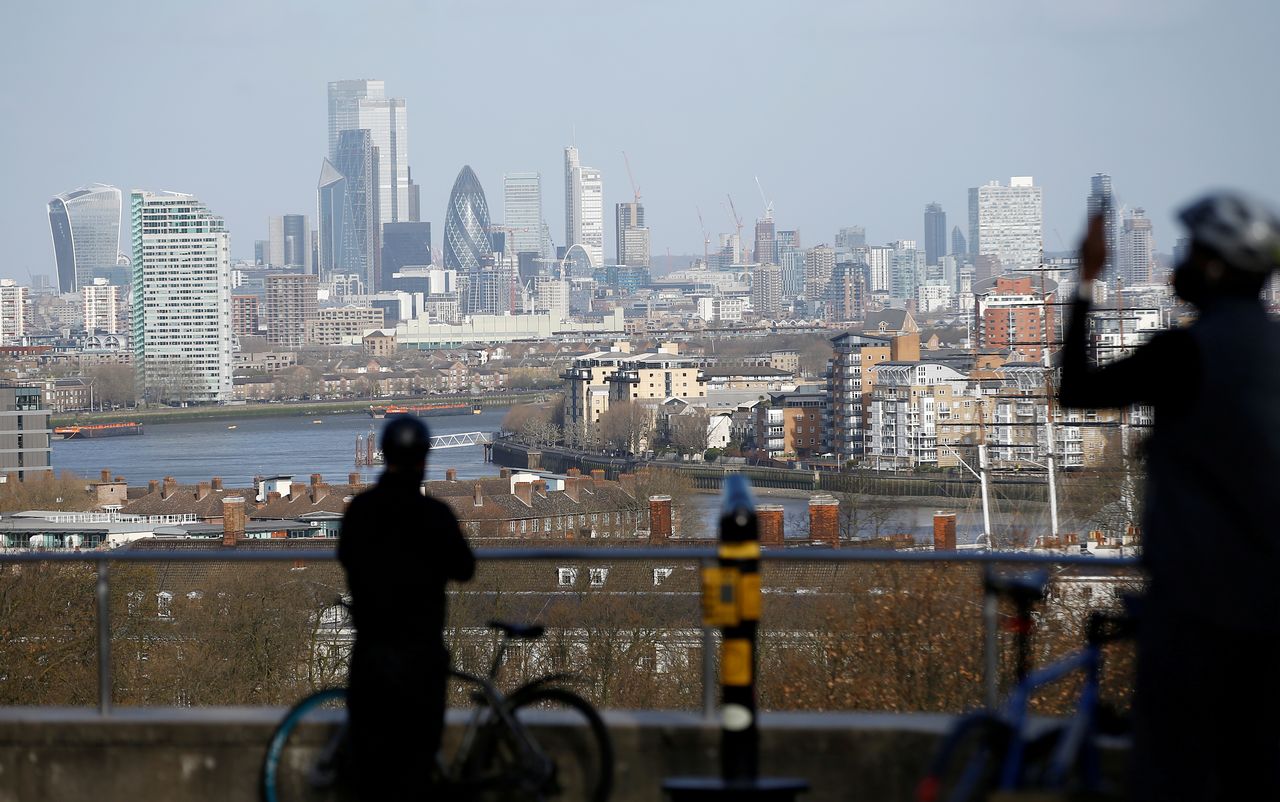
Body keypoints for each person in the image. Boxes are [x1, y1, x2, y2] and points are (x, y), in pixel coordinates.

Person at [1058, 192, 1280, 801]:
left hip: (1197, 605)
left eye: (1192, 252)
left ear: (1214, 266)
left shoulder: (1186, 352)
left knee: (1174, 771)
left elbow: (1077, 388)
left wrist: (1086, 281)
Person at [338, 415, 476, 799]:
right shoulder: (435, 515)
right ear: (423, 460)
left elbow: (347, 558)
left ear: (383, 455)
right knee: (418, 759)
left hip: (372, 651)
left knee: (370, 760)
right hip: (421, 653)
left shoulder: (361, 511)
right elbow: (464, 570)